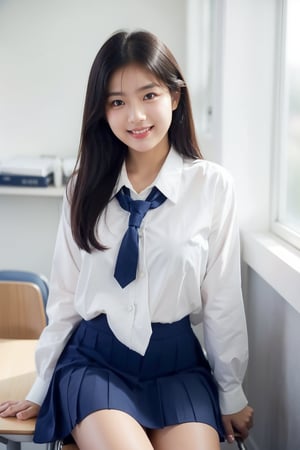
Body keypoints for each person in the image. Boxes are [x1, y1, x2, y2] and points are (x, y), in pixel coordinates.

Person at [0, 30, 253, 450]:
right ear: (103, 111)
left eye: (148, 95)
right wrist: (40, 386)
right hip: (96, 362)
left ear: (174, 97)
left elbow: (222, 300)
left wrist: (231, 392)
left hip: (177, 367)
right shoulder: (83, 186)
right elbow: (64, 297)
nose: (135, 116)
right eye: (117, 102)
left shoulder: (212, 187)